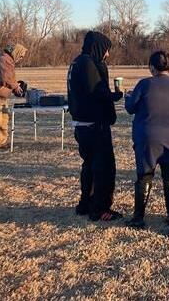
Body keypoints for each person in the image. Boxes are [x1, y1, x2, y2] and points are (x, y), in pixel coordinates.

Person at [124, 51, 169, 228]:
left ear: (152, 67)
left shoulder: (144, 84)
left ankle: (139, 217)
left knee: (145, 175)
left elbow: (131, 108)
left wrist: (127, 97)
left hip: (148, 136)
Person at [67, 31, 123, 221]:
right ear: (99, 47)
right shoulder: (88, 64)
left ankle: (85, 203)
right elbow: (97, 92)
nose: (107, 55)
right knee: (103, 167)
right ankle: (100, 208)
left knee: (89, 165)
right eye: (106, 50)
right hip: (94, 124)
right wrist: (116, 95)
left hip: (81, 124)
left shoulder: (76, 62)